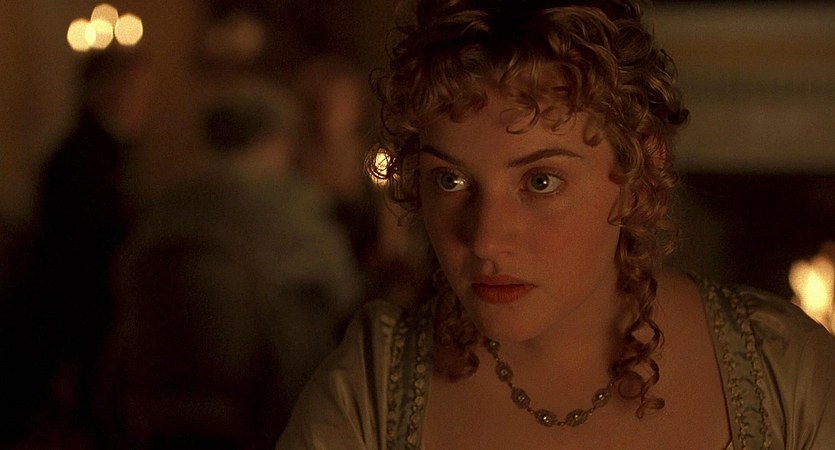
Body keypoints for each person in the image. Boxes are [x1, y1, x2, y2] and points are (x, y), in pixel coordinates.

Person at [277, 1, 835, 449]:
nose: (486, 240)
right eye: (450, 180)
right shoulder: (370, 391)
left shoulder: (787, 376)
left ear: (639, 170)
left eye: (541, 181)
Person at [97, 79, 363, 449]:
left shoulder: (169, 200)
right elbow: (341, 291)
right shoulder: (290, 203)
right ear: (273, 140)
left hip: (155, 385)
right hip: (262, 396)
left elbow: (124, 277)